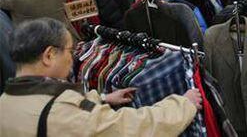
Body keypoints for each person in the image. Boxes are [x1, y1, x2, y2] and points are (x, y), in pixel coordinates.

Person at [0, 18, 202, 136]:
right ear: (49, 55)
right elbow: (132, 129)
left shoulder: (6, 103)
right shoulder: (59, 113)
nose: (74, 58)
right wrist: (183, 104)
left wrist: (103, 98)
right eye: (70, 51)